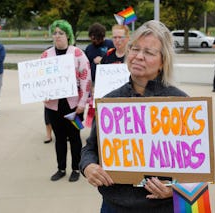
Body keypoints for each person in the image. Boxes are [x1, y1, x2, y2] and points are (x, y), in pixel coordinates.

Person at [80, 20, 188, 213]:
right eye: (134, 49)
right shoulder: (111, 101)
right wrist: (88, 166)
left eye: (148, 52)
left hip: (163, 207)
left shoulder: (180, 103)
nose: (138, 56)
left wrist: (175, 190)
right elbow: (91, 147)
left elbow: (199, 170)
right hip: (115, 206)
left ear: (163, 61)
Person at [42, 20, 91, 182]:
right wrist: (41, 94)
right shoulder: (46, 55)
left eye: (61, 33)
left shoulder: (77, 54)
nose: (57, 36)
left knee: (75, 136)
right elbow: (40, 79)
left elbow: (86, 79)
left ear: (68, 35)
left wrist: (82, 103)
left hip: (74, 107)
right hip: (53, 107)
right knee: (59, 138)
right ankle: (61, 168)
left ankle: (76, 168)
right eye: (55, 33)